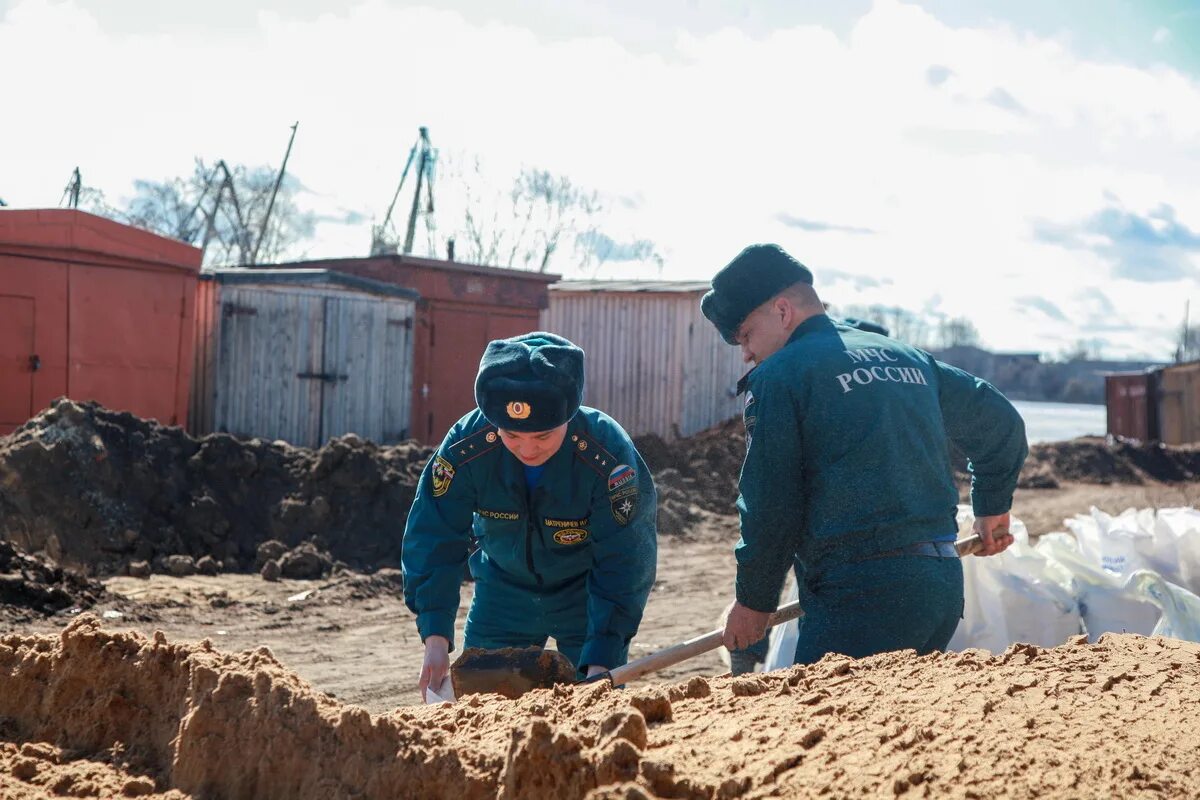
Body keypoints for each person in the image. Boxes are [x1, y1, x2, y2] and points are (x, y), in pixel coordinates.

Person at [701, 244, 1027, 666]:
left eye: (745, 335)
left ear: (782, 311)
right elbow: (1002, 424)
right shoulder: (908, 357)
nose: (745, 353)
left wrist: (753, 601)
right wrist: (992, 507)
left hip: (859, 599)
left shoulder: (782, 375)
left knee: (822, 727)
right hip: (940, 587)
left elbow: (771, 502)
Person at [401, 332, 658, 701]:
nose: (527, 448)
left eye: (542, 436)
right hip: (503, 593)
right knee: (482, 710)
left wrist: (602, 655)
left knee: (590, 712)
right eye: (510, 434)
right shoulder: (466, 448)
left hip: (584, 596)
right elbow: (433, 536)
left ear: (569, 414)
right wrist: (435, 636)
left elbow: (626, 558)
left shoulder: (606, 455)